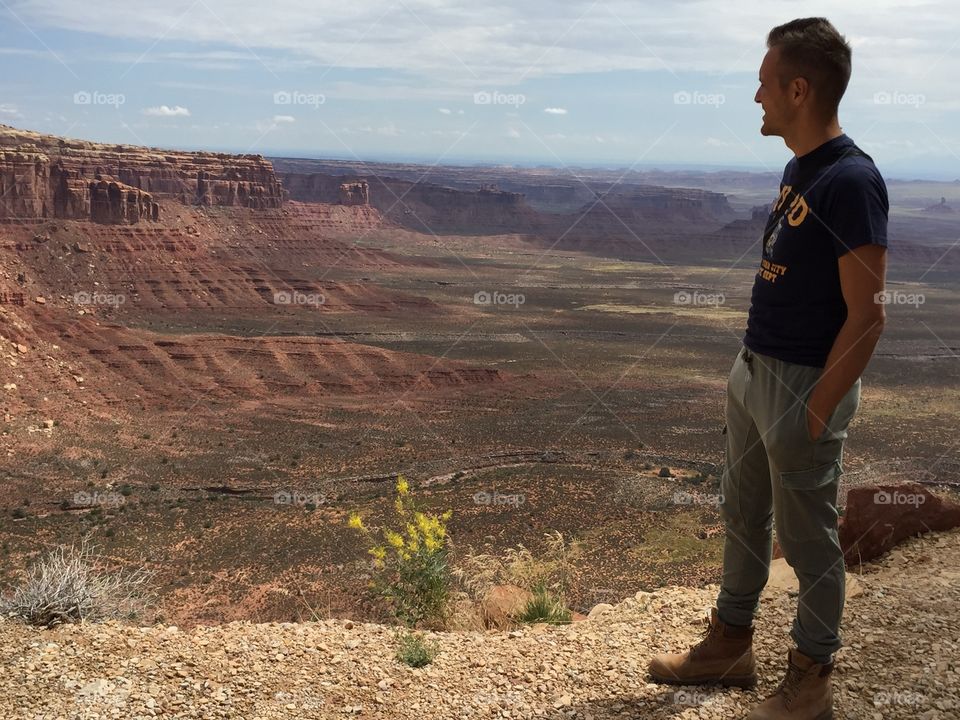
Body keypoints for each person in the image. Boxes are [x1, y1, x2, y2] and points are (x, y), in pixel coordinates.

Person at [648, 17, 888, 720]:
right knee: (742, 512)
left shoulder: (852, 181)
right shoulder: (799, 170)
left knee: (810, 537)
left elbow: (867, 315)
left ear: (799, 88)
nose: (756, 97)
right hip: (755, 371)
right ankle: (730, 644)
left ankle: (810, 678)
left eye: (764, 84)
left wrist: (817, 409)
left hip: (800, 383)